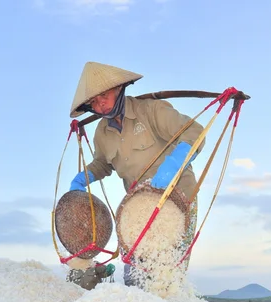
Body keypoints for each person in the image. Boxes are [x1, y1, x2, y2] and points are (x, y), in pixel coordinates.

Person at [67, 61, 205, 288]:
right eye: (93, 101)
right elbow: (102, 164)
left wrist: (173, 165)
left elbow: (194, 132)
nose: (100, 103)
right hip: (137, 205)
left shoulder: (151, 110)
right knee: (134, 275)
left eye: (104, 95)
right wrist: (82, 179)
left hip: (177, 195)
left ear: (119, 88)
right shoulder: (102, 132)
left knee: (166, 269)